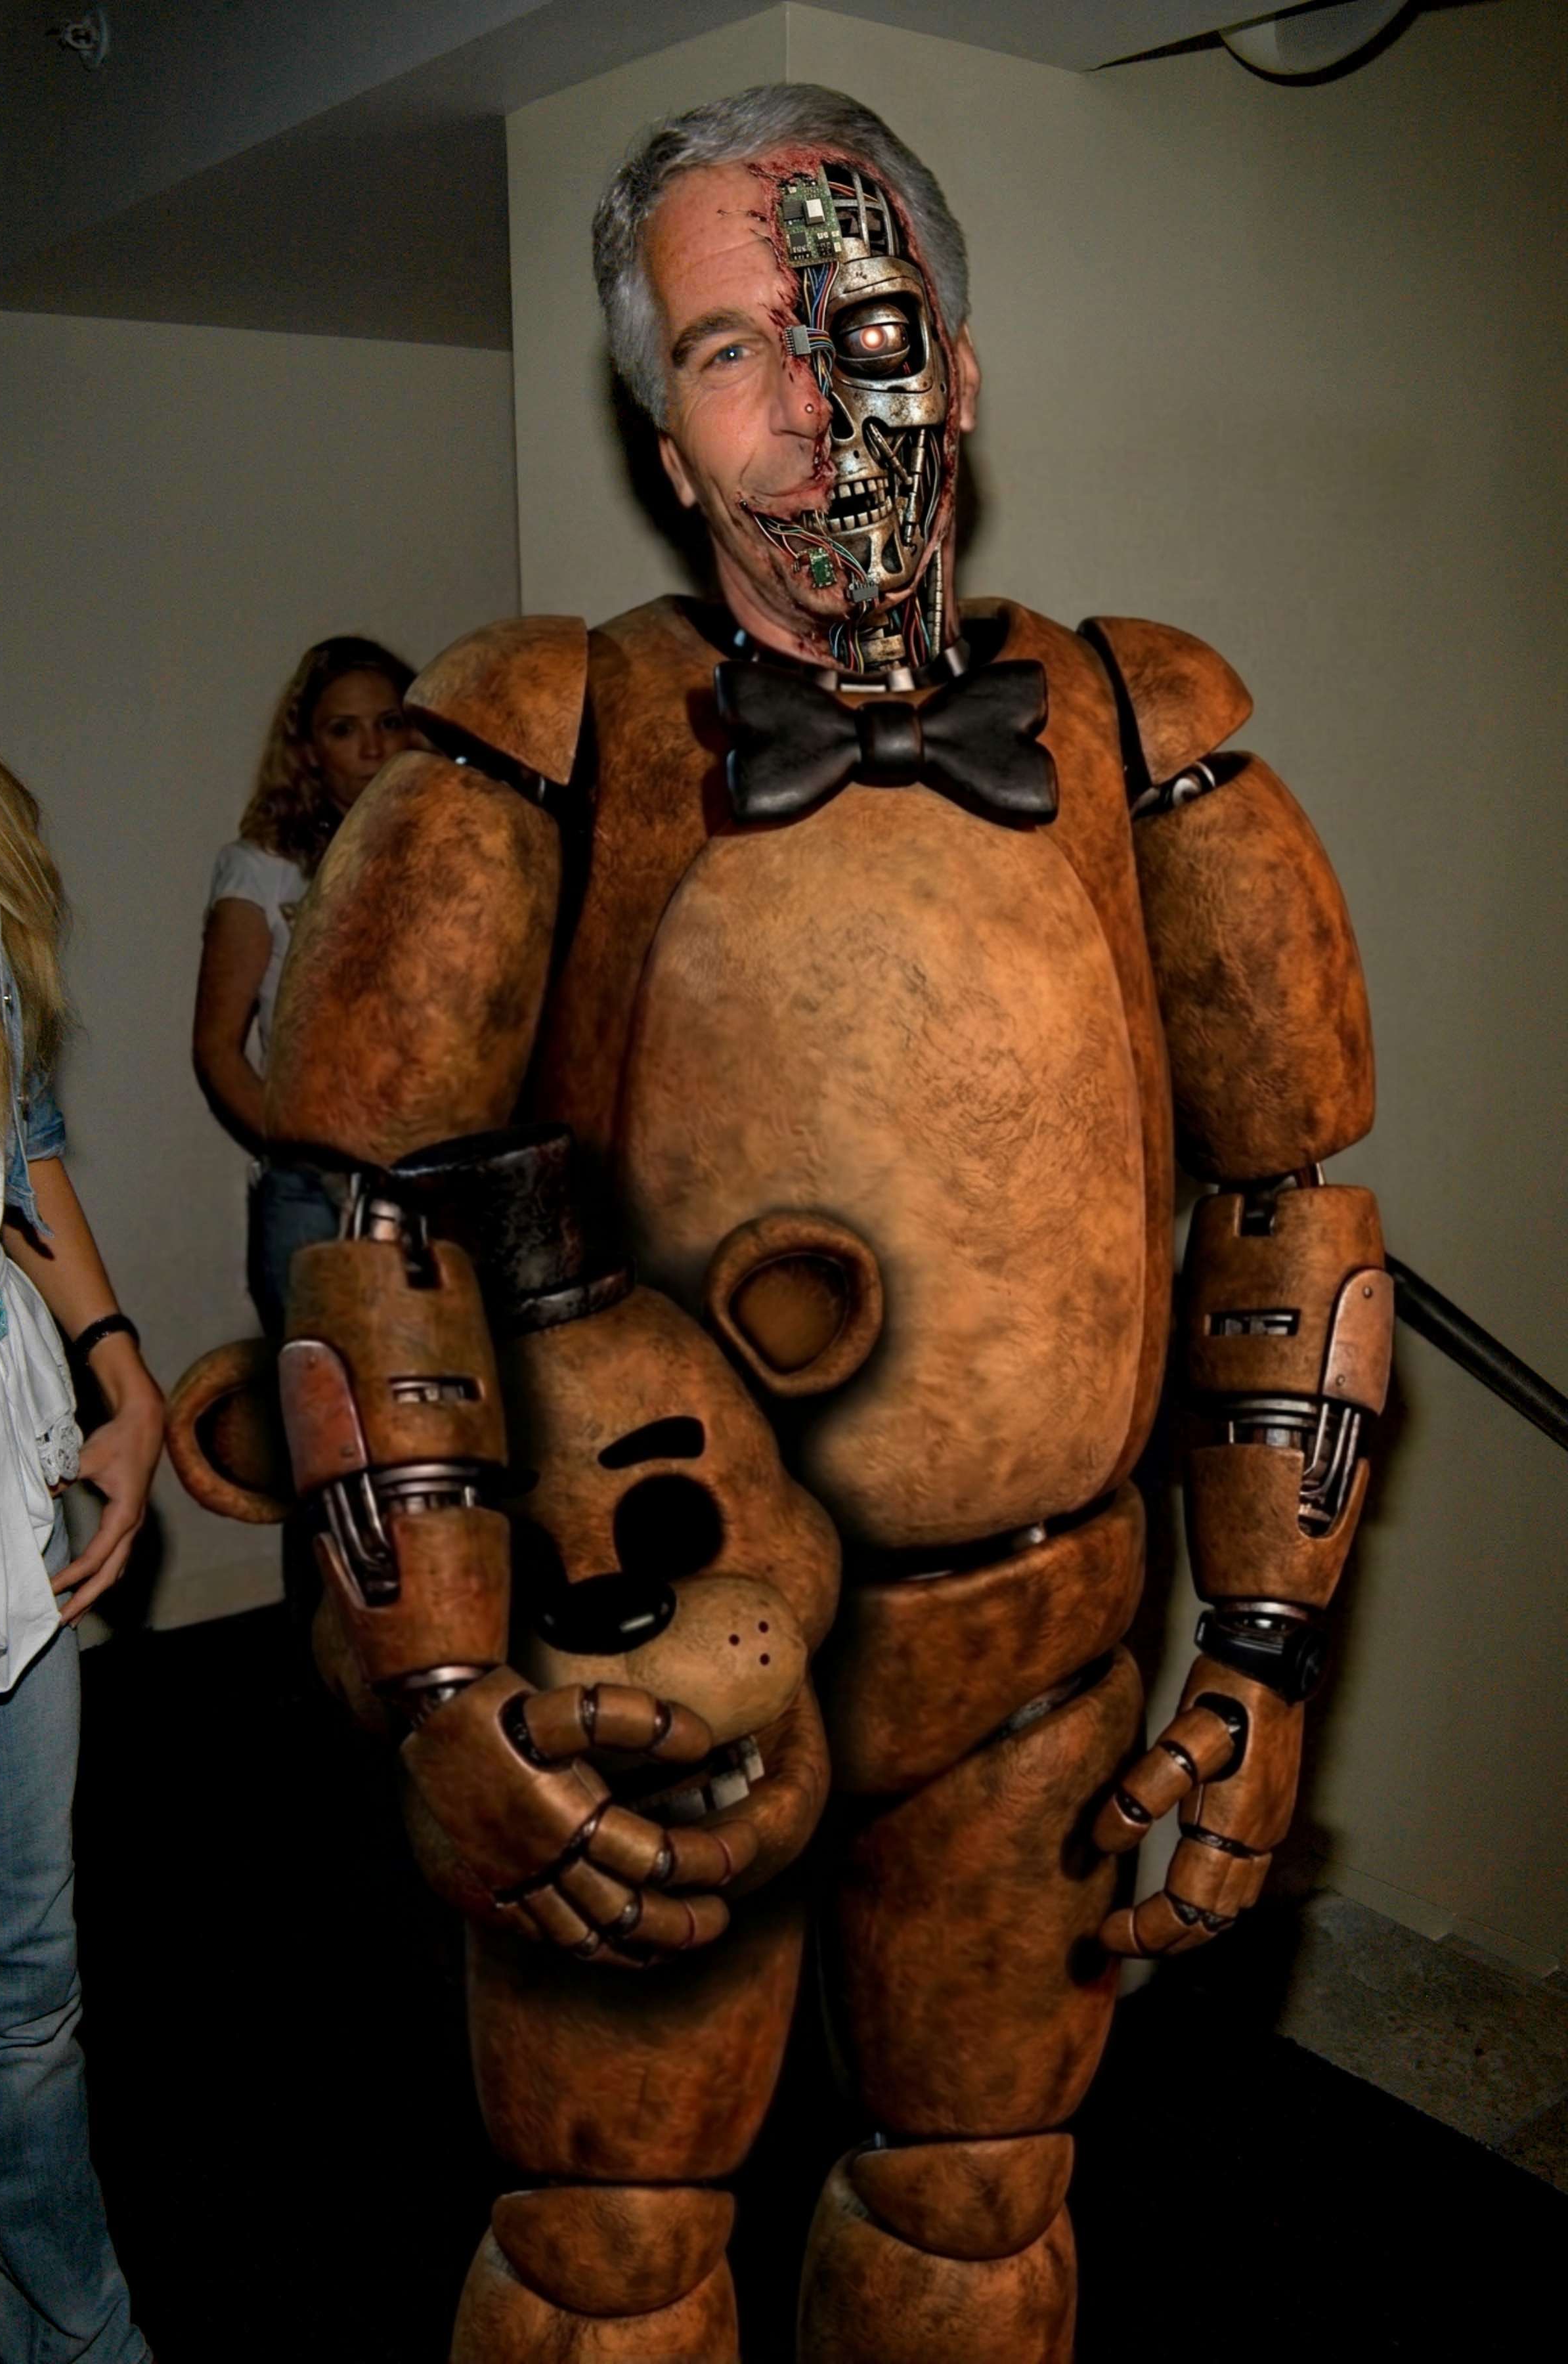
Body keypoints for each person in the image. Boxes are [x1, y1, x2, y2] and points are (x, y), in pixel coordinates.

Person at [172, 87, 1393, 2360]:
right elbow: (362, 1213)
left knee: (978, 2227)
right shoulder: (540, 732)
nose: (813, 401)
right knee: (610, 2265)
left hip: (1038, 1677)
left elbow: (1289, 1210)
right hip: (643, 1685)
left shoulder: (1144, 732)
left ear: (962, 359)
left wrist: (1262, 1645)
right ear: (664, 440)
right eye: (731, 347)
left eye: (860, 322)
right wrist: (438, 1690)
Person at [0, 751, 163, 2364]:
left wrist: (122, 1368)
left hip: (1, 1494)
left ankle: (72, 2336)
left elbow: (22, 1142)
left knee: (29, 1987)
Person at [192, 637, 414, 1337]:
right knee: (325, 1395)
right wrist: (303, 1149)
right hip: (313, 1193)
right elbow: (217, 1048)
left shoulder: (453, 851)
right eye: (344, 729)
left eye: (389, 722)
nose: (373, 748)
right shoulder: (262, 868)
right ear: (309, 750)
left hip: (438, 1179)